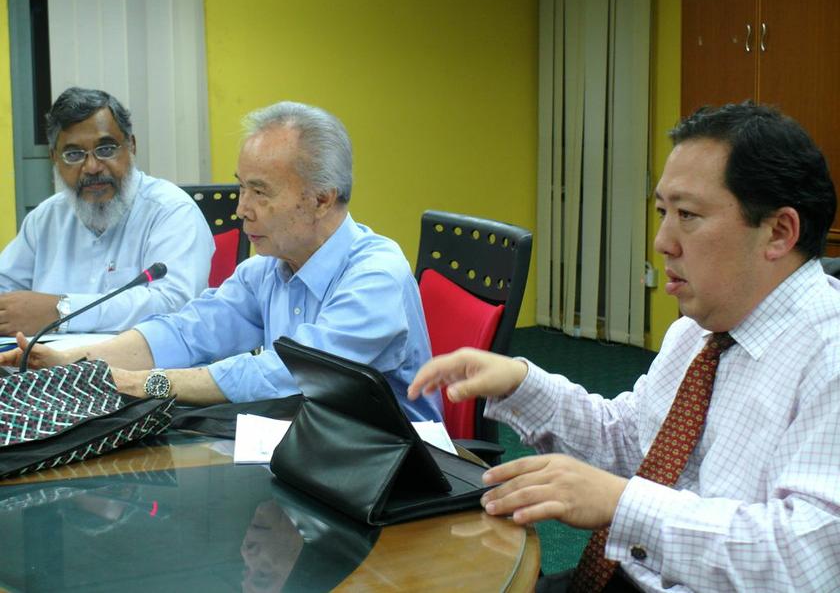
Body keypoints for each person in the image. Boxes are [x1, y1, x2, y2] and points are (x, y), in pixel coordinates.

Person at [409, 102, 840, 591]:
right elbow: (634, 441)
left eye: (689, 215)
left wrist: (623, 504)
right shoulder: (699, 330)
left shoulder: (829, 356)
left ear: (779, 232)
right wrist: (521, 384)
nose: (662, 241)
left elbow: (806, 561)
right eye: (662, 212)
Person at [4, 101, 441, 422]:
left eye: (260, 191)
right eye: (241, 188)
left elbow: (289, 372)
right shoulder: (267, 269)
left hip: (399, 473)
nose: (241, 209)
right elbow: (187, 332)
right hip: (310, 444)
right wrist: (78, 360)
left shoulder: (375, 274)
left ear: (321, 199)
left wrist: (134, 382)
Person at [0, 87, 214, 336]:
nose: (91, 167)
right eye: (73, 154)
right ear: (54, 158)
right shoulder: (44, 219)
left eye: (106, 149)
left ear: (131, 146)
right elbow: (5, 288)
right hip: (48, 368)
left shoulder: (171, 211)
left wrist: (62, 311)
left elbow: (174, 304)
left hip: (142, 369)